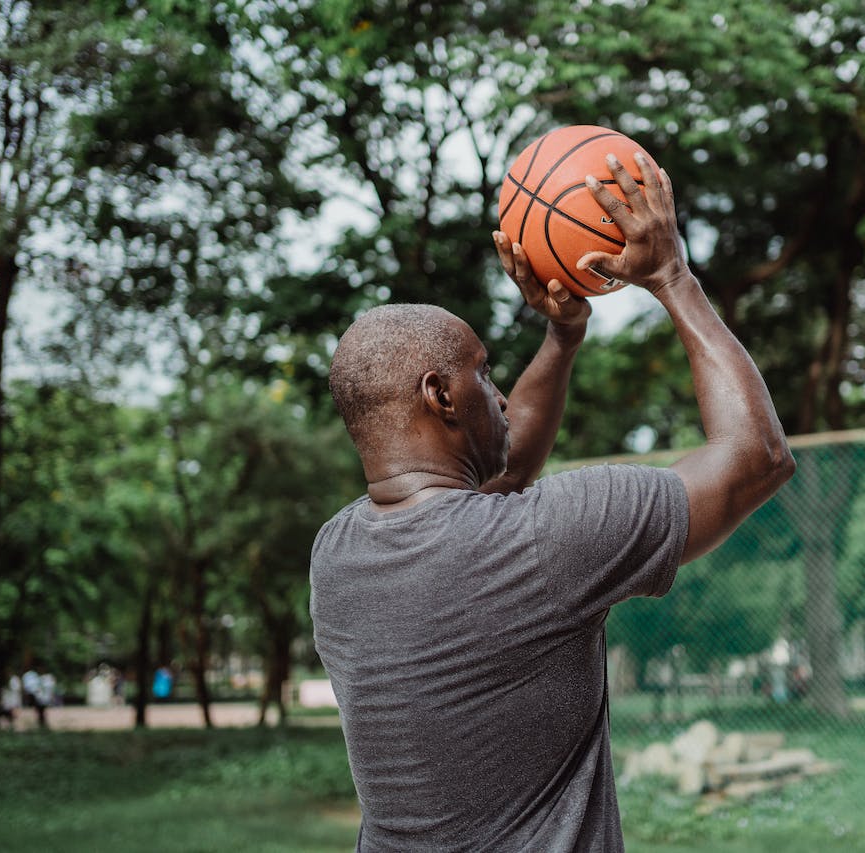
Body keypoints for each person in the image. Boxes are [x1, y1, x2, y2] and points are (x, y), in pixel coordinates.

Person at [311, 152, 795, 851]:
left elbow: (499, 474)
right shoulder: (542, 542)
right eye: (481, 374)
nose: (500, 394)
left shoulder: (336, 555)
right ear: (439, 396)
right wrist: (671, 275)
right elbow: (758, 457)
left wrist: (564, 334)